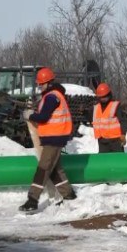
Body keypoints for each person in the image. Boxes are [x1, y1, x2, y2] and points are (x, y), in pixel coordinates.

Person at [19, 67, 77, 212]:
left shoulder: (51, 97)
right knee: (55, 170)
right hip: (55, 137)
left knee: (43, 169)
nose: (40, 87)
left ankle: (32, 200)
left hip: (54, 138)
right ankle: (69, 195)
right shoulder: (53, 96)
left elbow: (43, 117)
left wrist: (30, 115)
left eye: (41, 84)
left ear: (48, 83)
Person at [92, 83, 127, 153]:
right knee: (103, 159)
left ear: (109, 95)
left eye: (105, 96)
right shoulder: (96, 108)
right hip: (102, 142)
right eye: (102, 97)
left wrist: (123, 134)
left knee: (118, 159)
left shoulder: (116, 106)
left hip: (115, 141)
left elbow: (123, 121)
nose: (103, 99)